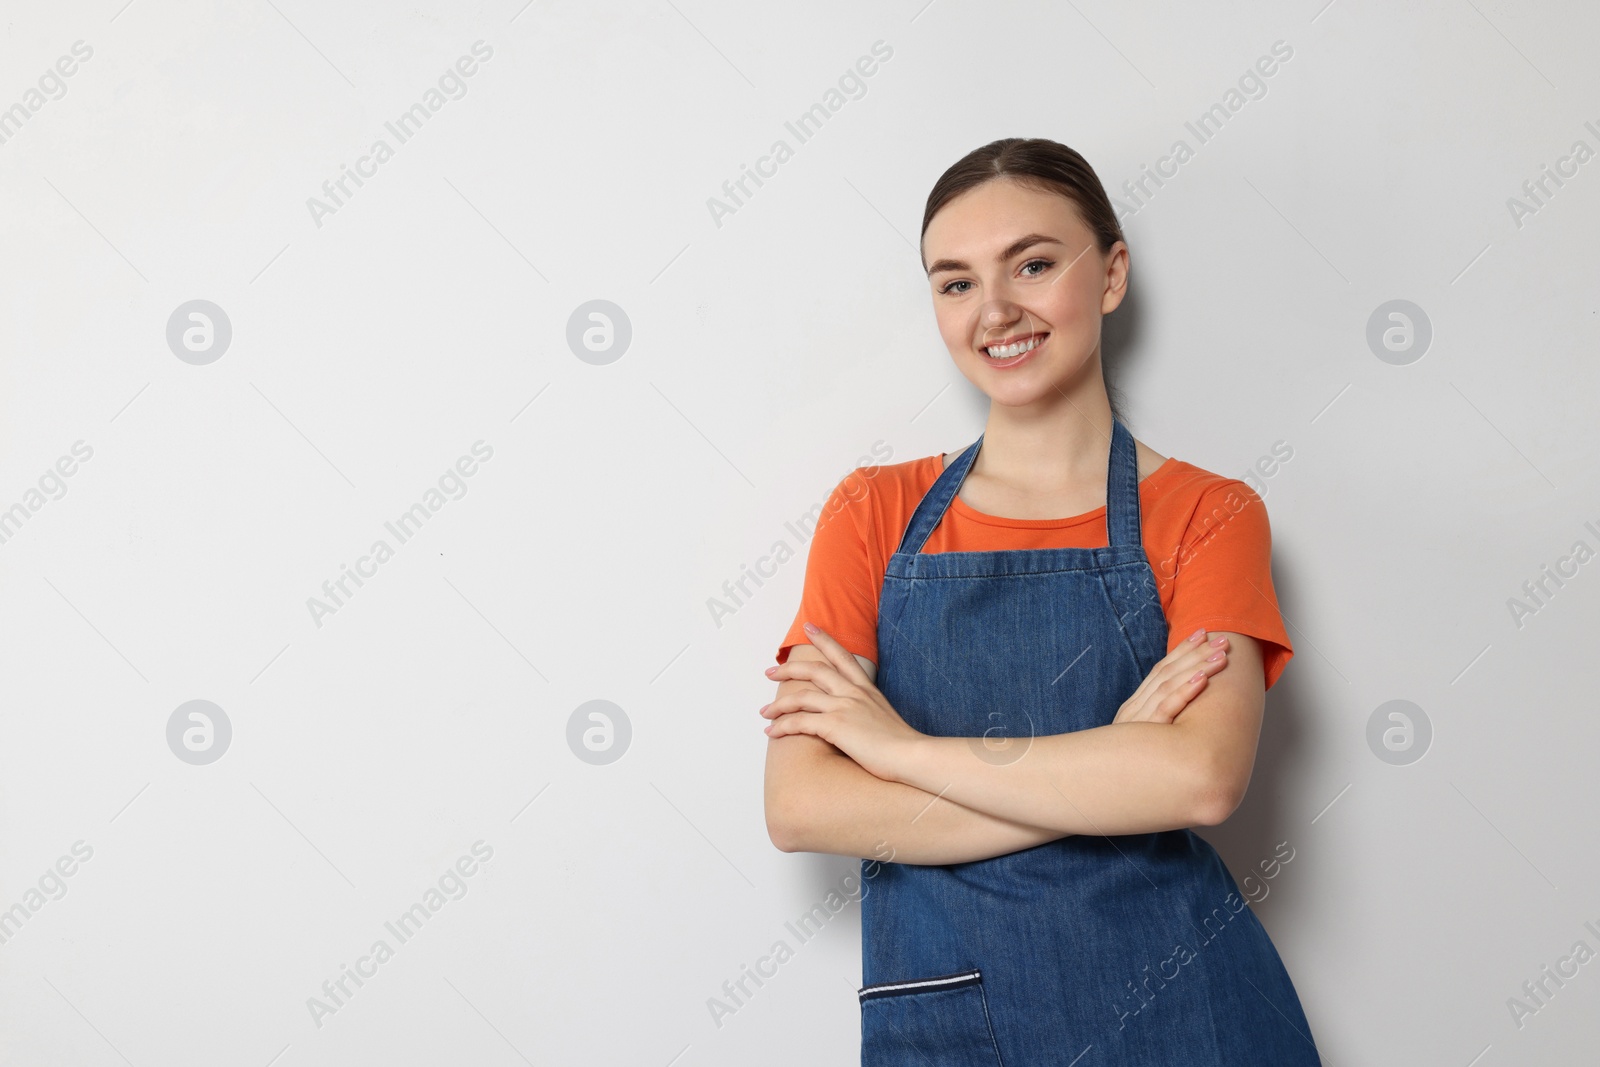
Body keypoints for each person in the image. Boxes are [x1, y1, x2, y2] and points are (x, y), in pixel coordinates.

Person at [760, 137, 1321, 1065]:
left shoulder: (1210, 513)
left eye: (1033, 263)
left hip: (1188, 1010)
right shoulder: (874, 514)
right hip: (953, 1017)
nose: (996, 310)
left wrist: (899, 752)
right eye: (955, 282)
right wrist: (1117, 771)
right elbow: (803, 804)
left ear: (1110, 275)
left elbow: (1202, 780)